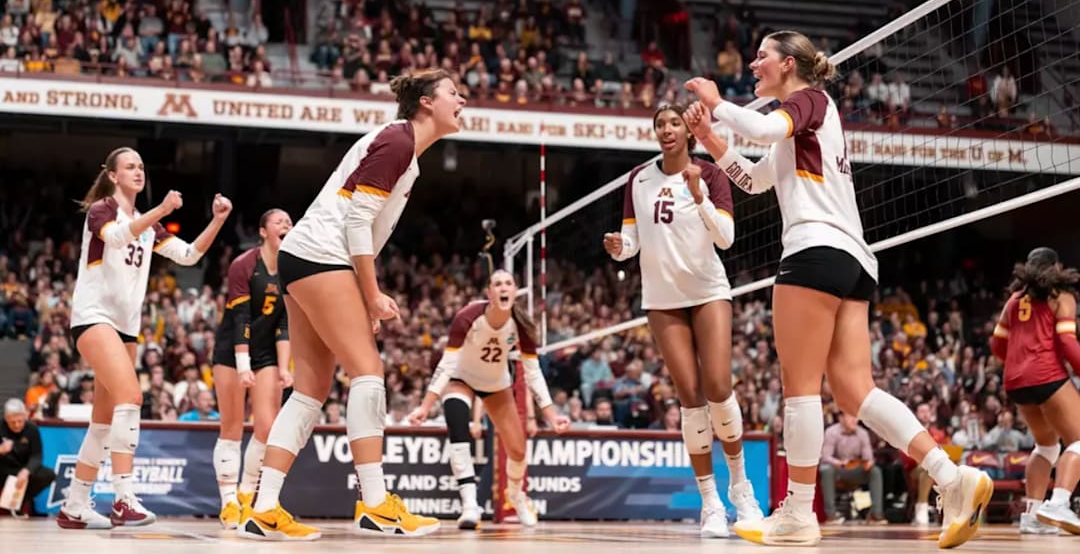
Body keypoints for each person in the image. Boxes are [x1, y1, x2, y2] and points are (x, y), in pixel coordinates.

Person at [682, 29, 991, 548]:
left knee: (800, 388)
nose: (754, 64)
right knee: (854, 390)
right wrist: (711, 140)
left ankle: (799, 513)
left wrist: (718, 104)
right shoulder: (805, 123)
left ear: (789, 64)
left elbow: (761, 126)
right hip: (853, 260)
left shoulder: (809, 100)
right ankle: (951, 476)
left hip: (814, 251)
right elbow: (755, 181)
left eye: (762, 56)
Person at [238, 68, 466, 541]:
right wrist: (371, 294)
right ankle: (376, 503)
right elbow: (357, 224)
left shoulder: (406, 152)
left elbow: (364, 228)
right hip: (323, 255)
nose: (461, 100)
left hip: (305, 256)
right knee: (368, 372)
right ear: (426, 102)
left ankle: (263, 507)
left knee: (310, 390)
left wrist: (361, 298)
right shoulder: (398, 142)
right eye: (453, 93)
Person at [602, 102, 762, 537]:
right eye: (660, 124)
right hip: (662, 299)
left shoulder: (710, 174)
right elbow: (632, 240)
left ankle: (741, 490)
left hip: (708, 291)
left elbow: (726, 239)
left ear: (689, 132)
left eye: (674, 123)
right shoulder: (638, 179)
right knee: (690, 398)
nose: (667, 129)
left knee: (718, 387)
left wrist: (698, 194)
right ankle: (710, 503)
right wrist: (620, 247)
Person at [58, 146, 231, 530]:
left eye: (141, 166)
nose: (138, 172)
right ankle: (123, 499)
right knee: (132, 397)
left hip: (126, 326)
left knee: (103, 422)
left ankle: (74, 505)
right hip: (94, 317)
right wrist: (162, 211)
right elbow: (118, 237)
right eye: (130, 167)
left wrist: (217, 221)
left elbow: (189, 255)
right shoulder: (103, 209)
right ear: (113, 175)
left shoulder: (147, 223)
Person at [408, 270, 570, 529]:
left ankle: (515, 496)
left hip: (495, 385)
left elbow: (533, 373)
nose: (503, 288)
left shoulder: (521, 326)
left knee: (518, 451)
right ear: (489, 293)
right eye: (498, 284)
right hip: (461, 378)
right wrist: (425, 406)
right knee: (457, 425)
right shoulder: (468, 316)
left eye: (508, 283)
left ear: (514, 291)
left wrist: (551, 415)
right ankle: (469, 505)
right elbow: (446, 365)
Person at [212, 208, 294, 529]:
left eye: (289, 222)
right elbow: (241, 318)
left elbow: (284, 323)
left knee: (267, 428)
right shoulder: (243, 264)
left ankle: (246, 493)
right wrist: (243, 365)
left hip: (266, 352)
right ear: (263, 231)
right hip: (232, 350)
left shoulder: (289, 269)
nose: (286, 225)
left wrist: (285, 367)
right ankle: (228, 503)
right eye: (279, 222)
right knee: (232, 427)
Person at [990, 247, 1080, 535]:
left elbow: (997, 345)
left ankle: (1032, 516)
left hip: (1015, 381)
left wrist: (1021, 361)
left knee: (1046, 446)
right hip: (1047, 374)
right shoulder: (1061, 297)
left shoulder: (1014, 300)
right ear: (1055, 267)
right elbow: (1067, 342)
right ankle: (1059, 503)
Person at [819, 411, 885, 524]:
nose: (855, 420)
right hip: (838, 469)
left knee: (875, 471)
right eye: (851, 416)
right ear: (841, 418)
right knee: (826, 469)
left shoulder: (862, 433)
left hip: (855, 469)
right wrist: (839, 463)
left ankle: (876, 514)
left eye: (856, 417)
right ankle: (831, 515)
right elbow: (826, 456)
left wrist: (868, 463)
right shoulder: (831, 432)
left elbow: (868, 457)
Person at [0, 399, 55, 516]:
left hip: (22, 469)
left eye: (20, 421)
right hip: (3, 469)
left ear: (25, 416)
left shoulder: (32, 429)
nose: (17, 425)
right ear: (6, 418)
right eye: (12, 422)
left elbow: (37, 455)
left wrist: (27, 470)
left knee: (48, 474)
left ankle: (20, 503)